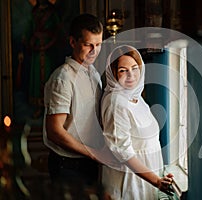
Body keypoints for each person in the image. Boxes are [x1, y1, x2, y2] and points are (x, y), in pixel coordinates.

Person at [101, 45, 174, 199]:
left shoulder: (135, 97)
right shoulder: (116, 102)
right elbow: (122, 152)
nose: (131, 75)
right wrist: (156, 180)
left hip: (146, 178)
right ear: (113, 73)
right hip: (129, 181)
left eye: (134, 68)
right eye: (123, 70)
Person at [43, 13, 104, 197]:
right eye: (88, 45)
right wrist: (93, 153)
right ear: (72, 42)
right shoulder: (63, 78)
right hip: (68, 167)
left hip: (89, 163)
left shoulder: (92, 73)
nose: (94, 51)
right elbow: (54, 131)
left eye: (99, 44)